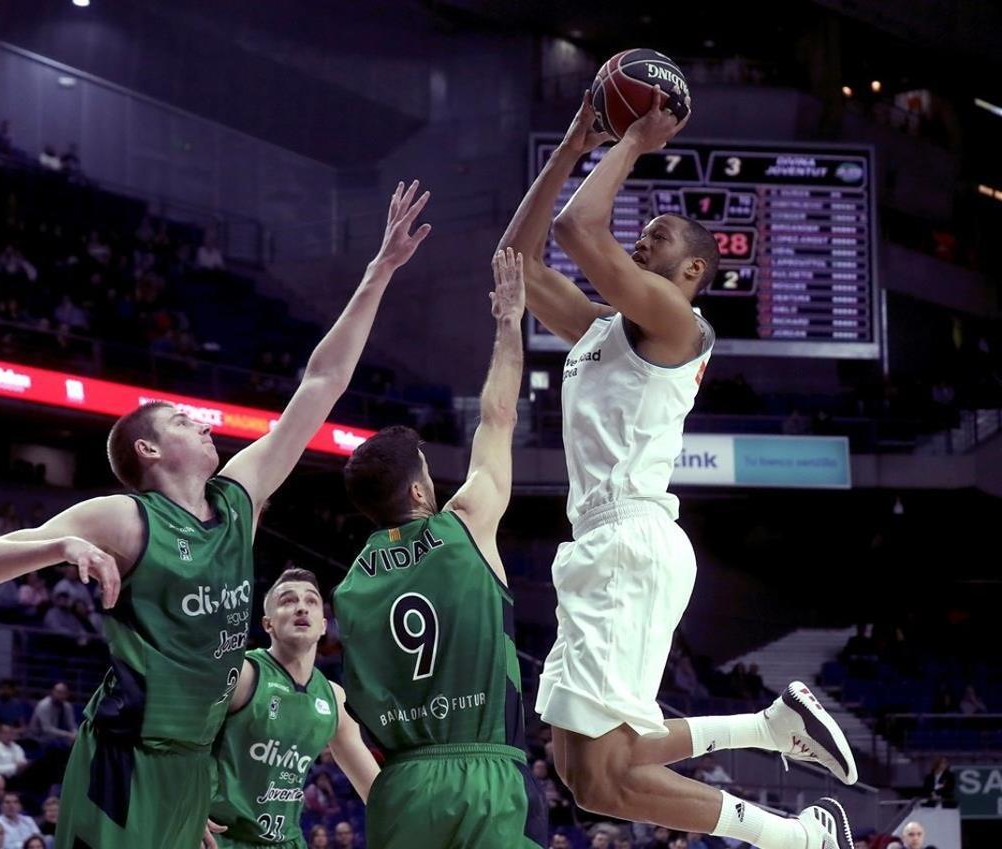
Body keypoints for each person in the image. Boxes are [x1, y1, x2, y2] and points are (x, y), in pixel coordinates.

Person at [0, 182, 432, 849]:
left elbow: (320, 384)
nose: (201, 420)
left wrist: (378, 272)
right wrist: (61, 546)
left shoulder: (239, 498)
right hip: (125, 754)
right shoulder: (123, 517)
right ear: (149, 449)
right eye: (182, 419)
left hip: (188, 764)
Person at [498, 89, 857, 849]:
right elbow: (517, 262)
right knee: (582, 771)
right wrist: (570, 146)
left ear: (693, 268)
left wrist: (628, 142)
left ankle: (799, 838)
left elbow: (574, 227)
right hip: (603, 543)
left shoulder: (678, 322)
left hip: (629, 540)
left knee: (603, 772)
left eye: (655, 238)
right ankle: (768, 728)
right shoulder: (603, 329)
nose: (637, 244)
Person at [335, 249, 546, 848]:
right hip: (484, 772)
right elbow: (498, 417)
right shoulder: (465, 525)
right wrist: (509, 323)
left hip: (401, 783)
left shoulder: (350, 585)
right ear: (422, 487)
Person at [207, 569, 379, 848]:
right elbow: (176, 743)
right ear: (268, 624)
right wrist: (186, 809)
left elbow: (375, 790)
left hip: (288, 841)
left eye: (311, 601)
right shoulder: (243, 675)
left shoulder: (334, 698)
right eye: (288, 601)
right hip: (222, 838)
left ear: (324, 625)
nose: (301, 606)